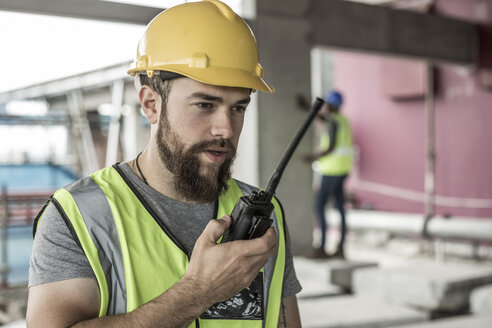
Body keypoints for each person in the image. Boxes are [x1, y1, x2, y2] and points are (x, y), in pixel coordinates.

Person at [26, 1, 302, 327]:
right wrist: (198, 292)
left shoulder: (266, 215)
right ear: (151, 104)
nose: (226, 129)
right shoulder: (78, 217)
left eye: (238, 108)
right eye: (205, 104)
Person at [303, 90, 353, 259]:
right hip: (343, 170)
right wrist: (309, 109)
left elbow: (330, 147)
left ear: (331, 104)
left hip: (331, 171)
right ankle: (341, 248)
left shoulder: (334, 122)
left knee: (319, 206)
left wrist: (312, 157)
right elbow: (323, 119)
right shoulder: (342, 120)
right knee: (340, 208)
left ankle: (322, 248)